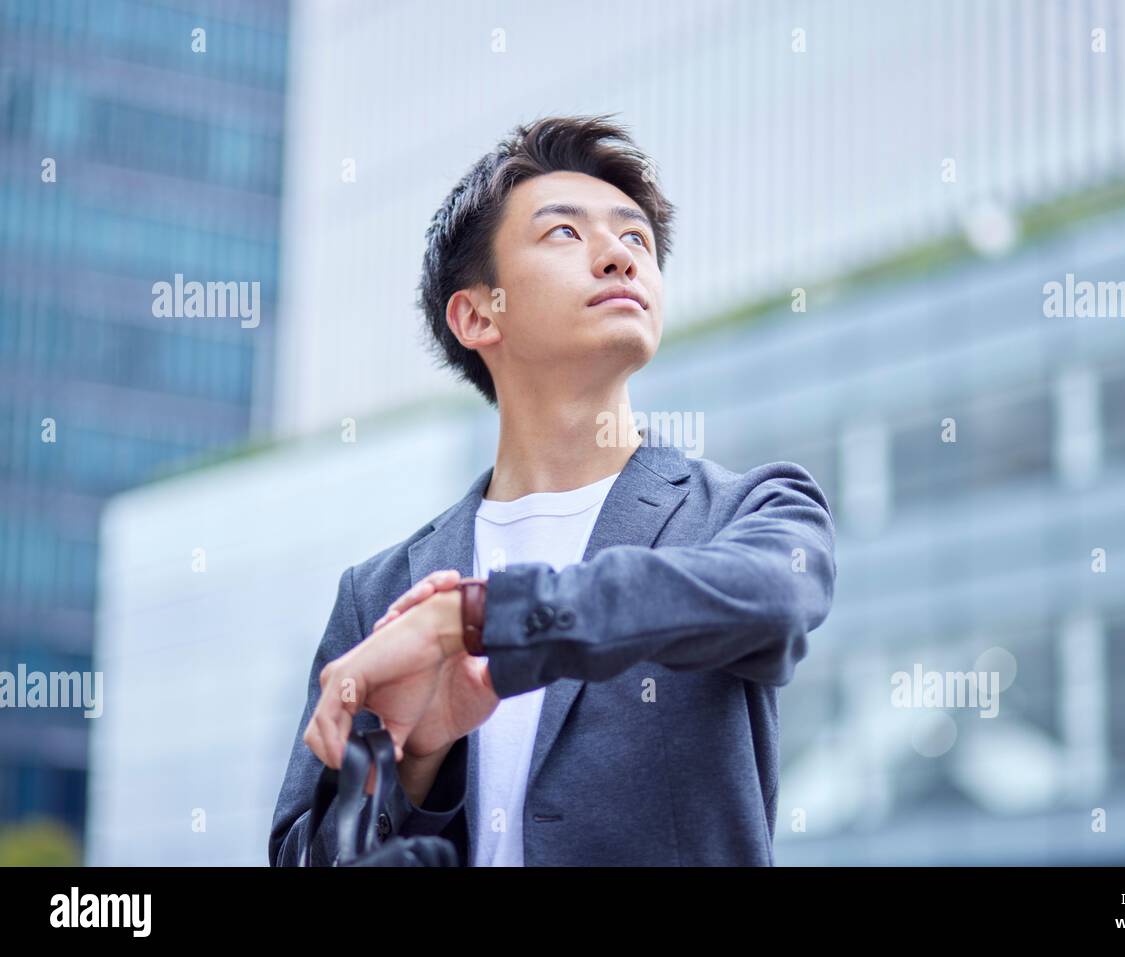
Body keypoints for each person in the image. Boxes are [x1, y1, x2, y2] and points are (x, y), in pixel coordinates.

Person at [268, 113, 837, 867]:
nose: (618, 257)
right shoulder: (379, 593)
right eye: (565, 233)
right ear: (476, 314)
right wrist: (416, 762)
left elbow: (774, 600)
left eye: (636, 238)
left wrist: (476, 618)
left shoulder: (746, 512)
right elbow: (306, 856)